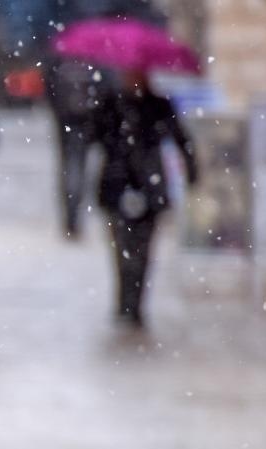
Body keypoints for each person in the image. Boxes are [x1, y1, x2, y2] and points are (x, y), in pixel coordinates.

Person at [95, 69, 197, 327]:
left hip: (149, 185)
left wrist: (192, 170)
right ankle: (124, 303)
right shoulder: (111, 103)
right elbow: (94, 135)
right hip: (117, 184)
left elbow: (180, 138)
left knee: (142, 249)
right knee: (121, 248)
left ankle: (136, 304)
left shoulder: (159, 104)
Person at [44, 57, 107, 239]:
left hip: (71, 125)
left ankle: (71, 217)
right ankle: (73, 216)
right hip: (78, 125)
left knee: (70, 170)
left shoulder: (60, 64)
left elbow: (50, 91)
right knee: (76, 170)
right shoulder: (94, 67)